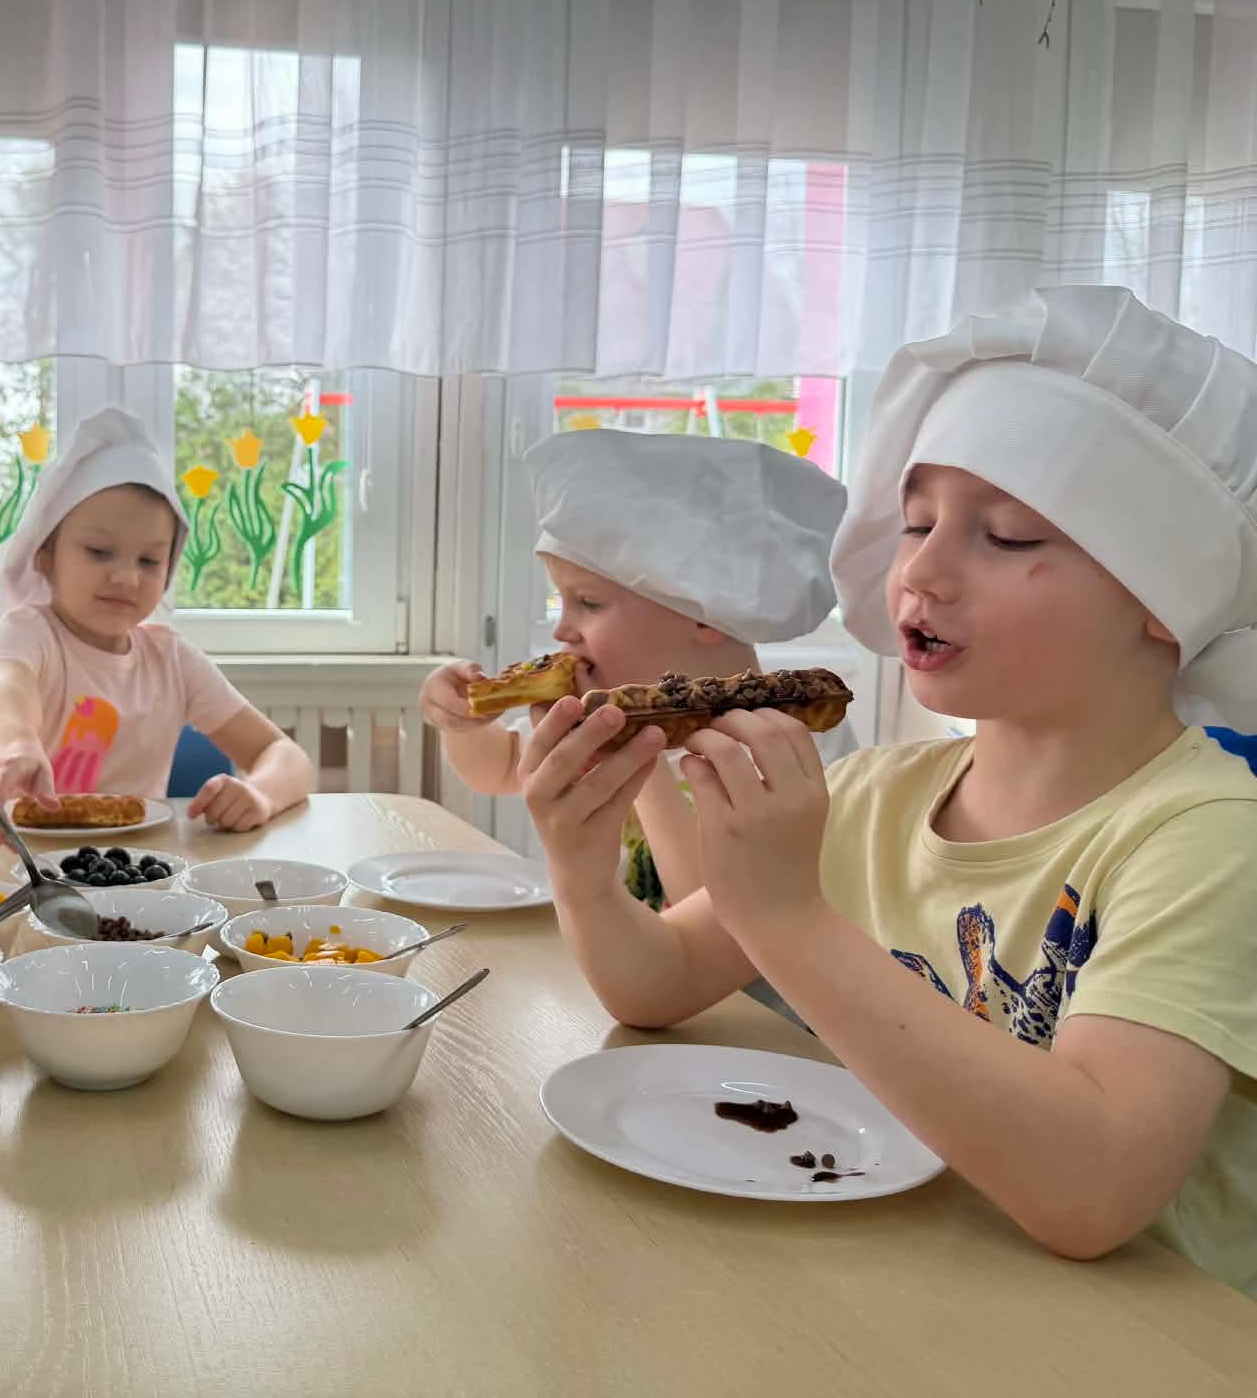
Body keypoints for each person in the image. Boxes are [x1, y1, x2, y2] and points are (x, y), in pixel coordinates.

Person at [521, 287, 1257, 1292]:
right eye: (915, 524)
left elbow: (1095, 1191)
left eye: (1006, 536)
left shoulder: (1207, 835)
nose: (922, 571)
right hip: (917, 1286)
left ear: (1162, 592)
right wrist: (580, 866)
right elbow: (653, 987)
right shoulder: (876, 793)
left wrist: (787, 918)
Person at [421, 429, 849, 907]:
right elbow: (498, 768)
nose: (563, 630)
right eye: (562, 601)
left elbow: (717, 916)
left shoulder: (791, 745)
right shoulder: (598, 711)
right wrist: (463, 721)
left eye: (588, 603)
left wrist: (632, 757)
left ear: (704, 616)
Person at [0, 407, 312, 830]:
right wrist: (15, 744)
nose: (127, 578)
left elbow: (283, 754)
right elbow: (4, 688)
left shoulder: (171, 660)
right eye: (99, 552)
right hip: (20, 863)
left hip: (137, 865)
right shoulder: (24, 635)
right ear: (45, 555)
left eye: (149, 560)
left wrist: (260, 793)